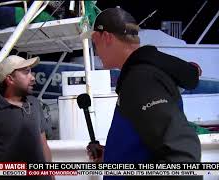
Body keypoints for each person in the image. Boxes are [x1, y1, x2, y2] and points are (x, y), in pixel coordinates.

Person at [83, 7, 202, 180]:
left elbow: (183, 157)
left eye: (95, 41)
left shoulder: (141, 80)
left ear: (107, 37)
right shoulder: (140, 76)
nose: (96, 50)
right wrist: (112, 158)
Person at [0, 55, 52, 180]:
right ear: (10, 79)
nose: (33, 78)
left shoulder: (34, 103)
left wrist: (51, 175)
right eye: (26, 72)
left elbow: (43, 145)